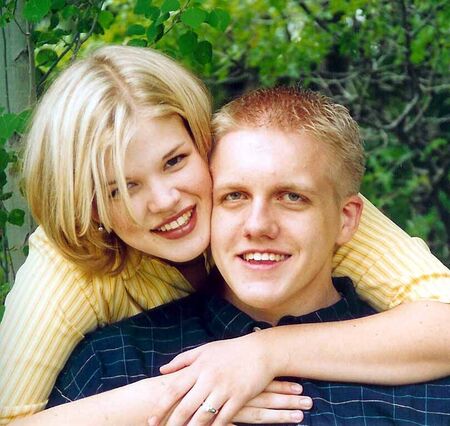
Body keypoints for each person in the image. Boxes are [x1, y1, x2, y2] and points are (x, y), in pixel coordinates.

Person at [1, 46, 449, 425]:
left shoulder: (299, 192)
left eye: (175, 161)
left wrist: (263, 352)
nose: (164, 200)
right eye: (121, 186)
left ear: (204, 146)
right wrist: (184, 394)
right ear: (93, 207)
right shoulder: (75, 283)